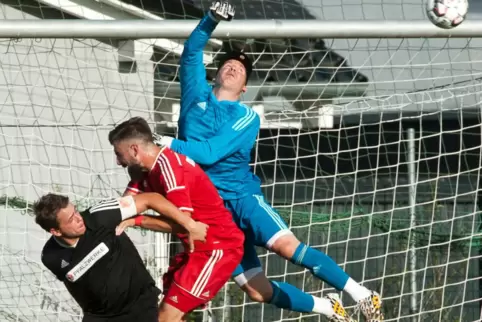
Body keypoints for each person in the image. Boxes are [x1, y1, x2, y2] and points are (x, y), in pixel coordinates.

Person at [153, 1, 384, 321]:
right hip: (213, 213)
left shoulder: (245, 117)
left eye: (241, 67)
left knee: (288, 249)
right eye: (228, 63)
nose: (233, 66)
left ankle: (362, 295)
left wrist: (167, 143)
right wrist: (211, 20)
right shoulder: (196, 97)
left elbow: (208, 152)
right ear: (216, 73)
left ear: (245, 86)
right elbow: (191, 52)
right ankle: (325, 306)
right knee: (256, 290)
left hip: (243, 200)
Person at [108, 117, 245, 322]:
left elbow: (183, 223)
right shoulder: (145, 171)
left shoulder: (170, 168)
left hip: (216, 248)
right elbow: (124, 206)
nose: (118, 162)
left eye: (119, 154)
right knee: (168, 316)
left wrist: (138, 221)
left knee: (165, 317)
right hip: (195, 251)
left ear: (135, 150)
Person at [35, 191, 208, 322]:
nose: (79, 219)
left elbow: (151, 199)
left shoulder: (99, 216)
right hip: (100, 317)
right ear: (55, 231)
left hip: (141, 306)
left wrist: (190, 226)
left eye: (76, 212)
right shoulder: (51, 257)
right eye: (71, 219)